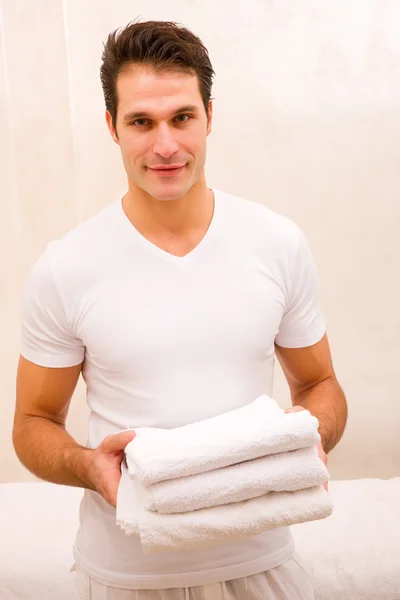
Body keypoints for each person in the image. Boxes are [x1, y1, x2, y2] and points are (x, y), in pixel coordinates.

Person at [12, 19, 348, 600]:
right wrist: (87, 464)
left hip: (264, 564)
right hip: (125, 575)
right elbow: (32, 424)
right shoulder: (65, 268)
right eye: (142, 121)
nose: (165, 145)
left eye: (182, 118)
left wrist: (313, 434)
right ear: (113, 127)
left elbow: (320, 383)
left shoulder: (276, 242)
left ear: (210, 117)